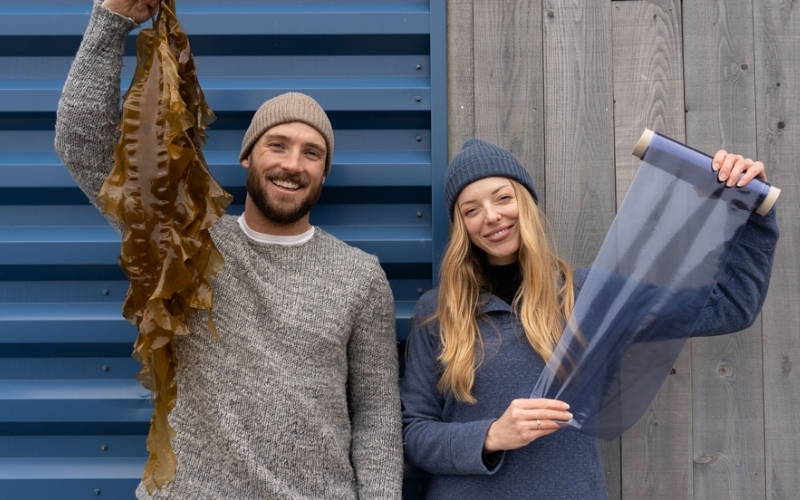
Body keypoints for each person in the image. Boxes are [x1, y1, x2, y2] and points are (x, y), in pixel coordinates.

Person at [54, 1, 402, 498]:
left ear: (324, 173)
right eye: (276, 145)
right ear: (246, 157)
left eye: (312, 153)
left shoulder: (361, 275)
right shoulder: (184, 236)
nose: (293, 164)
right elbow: (81, 145)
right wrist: (111, 21)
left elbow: (376, 417)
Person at [400, 139, 779, 499]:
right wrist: (492, 435)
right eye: (471, 209)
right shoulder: (437, 312)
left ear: (527, 203)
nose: (492, 215)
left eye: (503, 197)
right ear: (461, 227)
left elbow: (730, 305)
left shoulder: (587, 296)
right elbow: (414, 434)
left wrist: (753, 207)